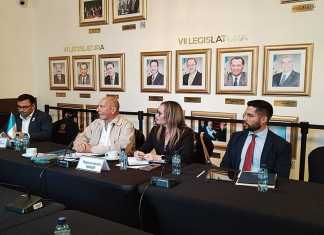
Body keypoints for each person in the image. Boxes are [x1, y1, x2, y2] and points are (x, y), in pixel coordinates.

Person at [220, 100, 291, 177]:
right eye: (245, 115)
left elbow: (281, 177)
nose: (245, 119)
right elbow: (225, 166)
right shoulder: (236, 137)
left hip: (261, 187)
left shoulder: (281, 145)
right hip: (234, 184)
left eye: (250, 116)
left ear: (263, 120)